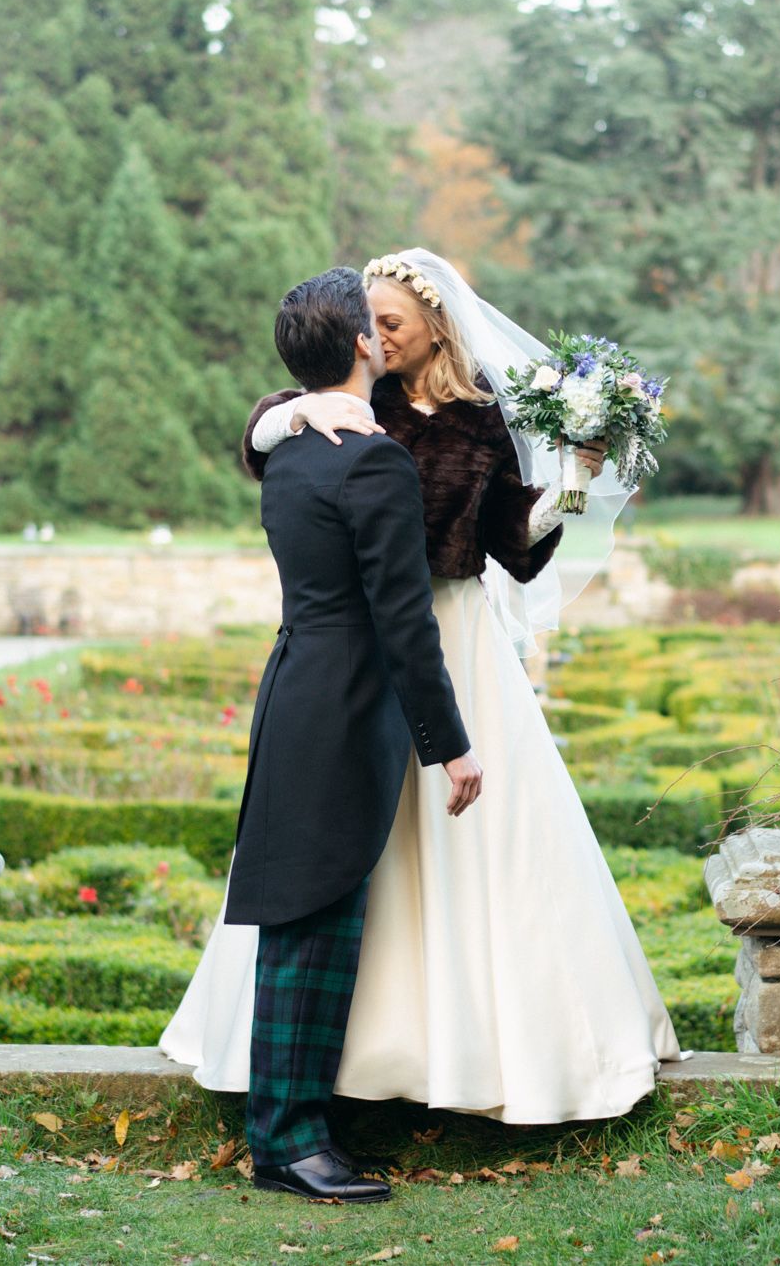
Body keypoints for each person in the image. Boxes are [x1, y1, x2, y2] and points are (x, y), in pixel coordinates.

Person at [162, 249, 682, 1126]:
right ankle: (338, 1064)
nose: (379, 333)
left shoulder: (484, 420)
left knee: (487, 846)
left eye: (393, 320)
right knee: (350, 835)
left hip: (458, 637)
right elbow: (265, 429)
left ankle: (488, 1050)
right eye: (372, 320)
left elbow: (514, 546)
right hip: (372, 643)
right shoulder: (346, 404)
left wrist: (575, 483)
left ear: (436, 325)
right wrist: (279, 425)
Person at [226, 266, 482, 1203]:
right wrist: (450, 744)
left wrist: (288, 412)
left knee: (303, 913)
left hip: (296, 685)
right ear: (365, 347)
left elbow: (265, 426)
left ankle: (287, 1130)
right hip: (341, 703)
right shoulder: (369, 458)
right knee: (315, 916)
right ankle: (288, 1142)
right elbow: (404, 622)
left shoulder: (293, 445)